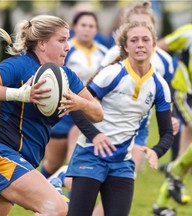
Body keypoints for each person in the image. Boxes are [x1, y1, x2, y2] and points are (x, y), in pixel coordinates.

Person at [0, 15, 105, 216]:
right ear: (42, 44)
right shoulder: (20, 65)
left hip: (22, 161)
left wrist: (79, 102)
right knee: (57, 209)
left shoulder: (67, 77)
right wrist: (21, 94)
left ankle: (55, 181)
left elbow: (98, 113)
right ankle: (56, 181)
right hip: (1, 155)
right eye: (62, 40)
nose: (68, 46)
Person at [66, 21, 174, 216]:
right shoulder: (112, 73)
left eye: (145, 40)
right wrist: (95, 135)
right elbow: (75, 106)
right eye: (134, 40)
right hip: (90, 154)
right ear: (125, 46)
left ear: (154, 45)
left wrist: (156, 151)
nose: (140, 44)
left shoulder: (159, 85)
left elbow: (167, 132)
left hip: (122, 162)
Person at [40, 11, 107, 180]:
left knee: (77, 162)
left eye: (91, 26)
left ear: (96, 30)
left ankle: (72, 203)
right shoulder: (66, 48)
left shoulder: (103, 53)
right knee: (53, 162)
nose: (87, 29)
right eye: (83, 25)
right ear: (75, 27)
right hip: (64, 112)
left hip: (88, 111)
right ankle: (43, 192)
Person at [153, 23, 192, 216]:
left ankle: (161, 203)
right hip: (185, 93)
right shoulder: (188, 33)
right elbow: (158, 48)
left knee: (185, 155)